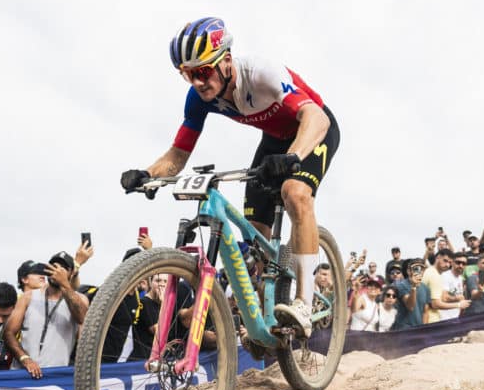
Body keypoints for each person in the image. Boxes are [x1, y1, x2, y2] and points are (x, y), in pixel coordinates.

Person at [121, 17, 339, 339]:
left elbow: (316, 117)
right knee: (258, 240)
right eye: (187, 74)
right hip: (274, 141)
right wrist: (147, 174)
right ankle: (267, 320)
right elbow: (178, 155)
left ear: (225, 61)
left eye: (202, 71)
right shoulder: (199, 99)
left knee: (294, 193)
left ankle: (304, 303)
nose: (196, 82)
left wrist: (293, 158)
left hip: (313, 129)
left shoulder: (261, 73)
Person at [6, 247, 92, 378]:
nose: (56, 271)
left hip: (54, 378)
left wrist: (65, 285)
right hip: (22, 374)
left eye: (62, 268)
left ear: (70, 274)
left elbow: (82, 318)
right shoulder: (28, 297)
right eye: (53, 266)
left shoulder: (80, 299)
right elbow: (9, 333)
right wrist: (24, 358)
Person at [392, 258, 431, 330]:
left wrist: (424, 329)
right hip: (403, 330)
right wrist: (414, 287)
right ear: (408, 271)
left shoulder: (426, 288)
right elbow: (410, 307)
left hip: (419, 330)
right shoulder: (401, 286)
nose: (419, 271)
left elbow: (425, 312)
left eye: (422, 268)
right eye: (416, 268)